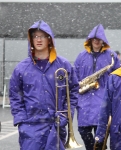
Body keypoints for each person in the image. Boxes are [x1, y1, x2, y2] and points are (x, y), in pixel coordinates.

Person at [9, 20, 78, 150]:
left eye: (42, 36)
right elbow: (15, 96)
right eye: (35, 36)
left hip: (56, 126)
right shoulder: (21, 68)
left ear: (49, 39)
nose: (38, 39)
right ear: (31, 39)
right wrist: (21, 120)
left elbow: (73, 91)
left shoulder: (63, 65)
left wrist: (65, 115)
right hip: (30, 128)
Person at [74, 24, 121, 150]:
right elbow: (75, 77)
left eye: (99, 38)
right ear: (90, 40)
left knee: (101, 137)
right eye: (94, 38)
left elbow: (119, 76)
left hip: (103, 100)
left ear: (103, 41)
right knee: (83, 131)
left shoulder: (111, 56)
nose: (96, 41)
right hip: (84, 100)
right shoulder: (81, 56)